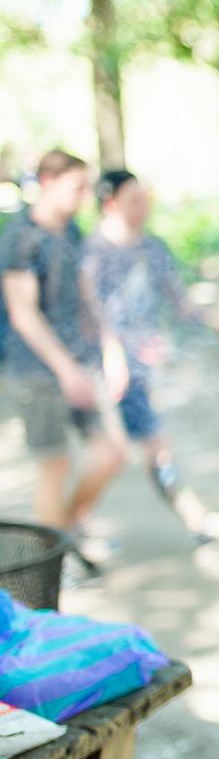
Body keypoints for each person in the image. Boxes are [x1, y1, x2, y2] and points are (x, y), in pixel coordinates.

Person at [83, 169, 219, 546]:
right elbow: (88, 314)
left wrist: (216, 320)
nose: (144, 207)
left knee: (140, 452)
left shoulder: (152, 247)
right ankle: (73, 528)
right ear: (110, 203)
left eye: (146, 199)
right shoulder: (92, 254)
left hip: (140, 370)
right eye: (134, 200)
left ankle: (77, 527)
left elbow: (179, 301)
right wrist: (114, 353)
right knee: (122, 453)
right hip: (103, 370)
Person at [0, 150, 130, 544]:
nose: (85, 196)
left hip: (79, 359)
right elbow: (23, 314)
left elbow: (87, 294)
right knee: (55, 466)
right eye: (78, 187)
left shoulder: (71, 230)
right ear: (48, 182)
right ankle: (56, 559)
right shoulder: (21, 238)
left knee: (112, 453)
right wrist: (66, 370)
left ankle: (63, 538)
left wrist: (111, 347)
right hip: (35, 370)